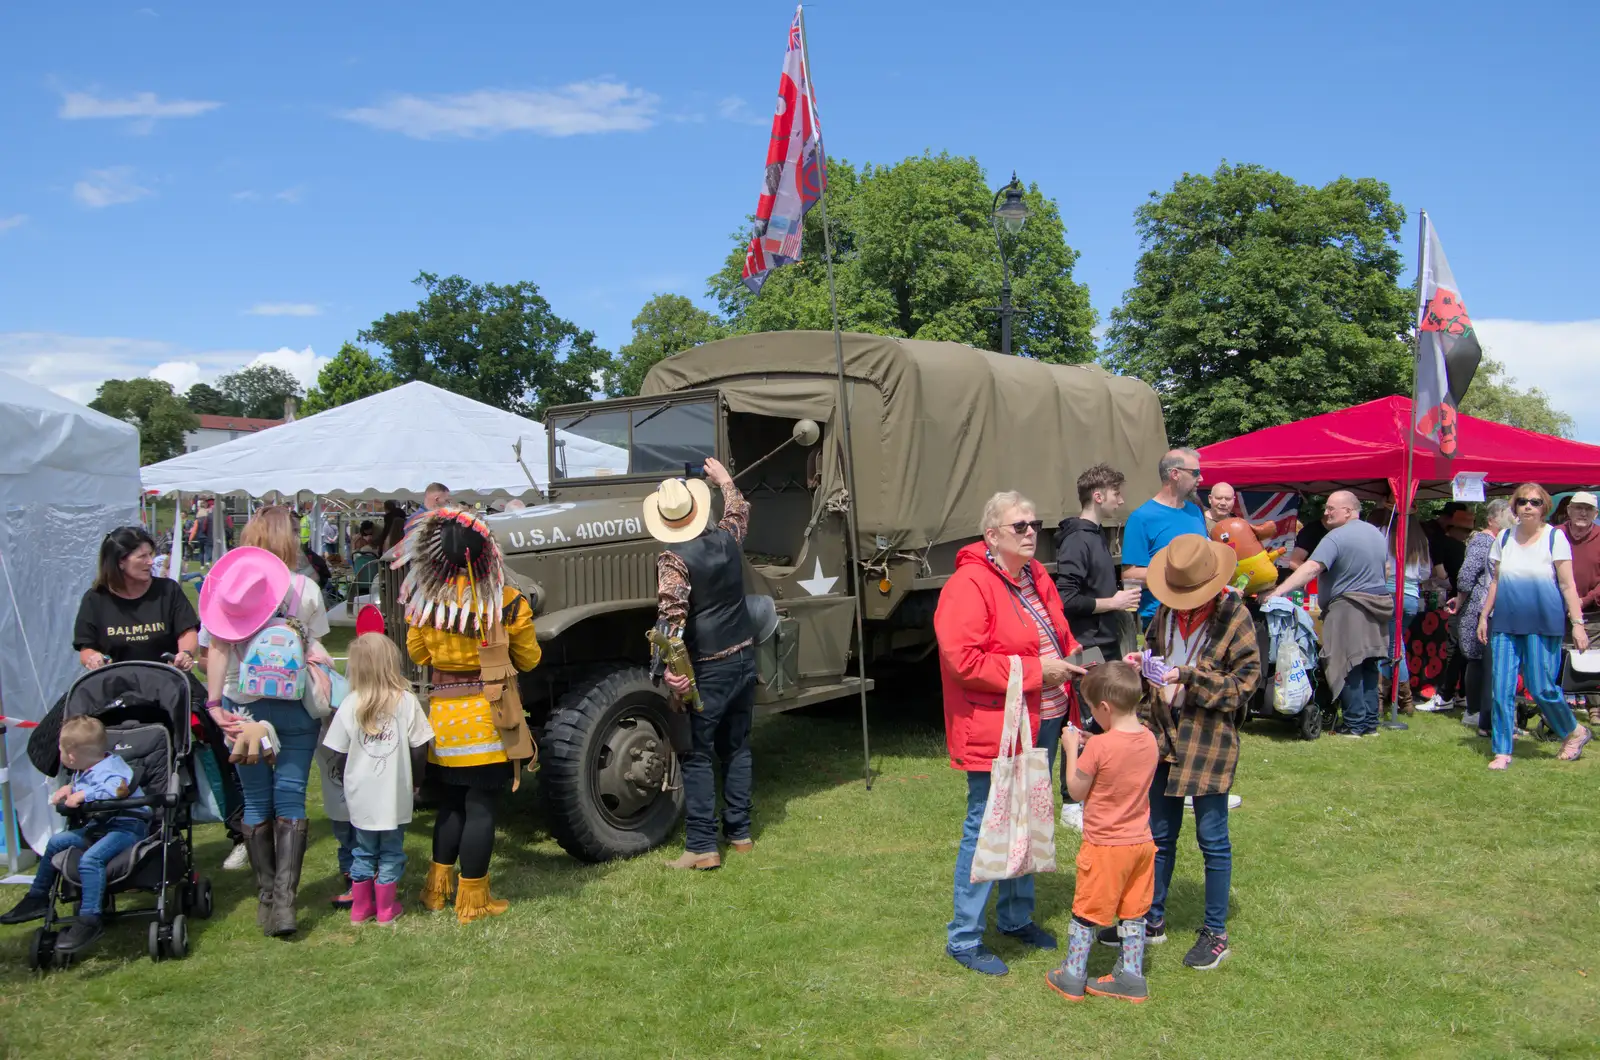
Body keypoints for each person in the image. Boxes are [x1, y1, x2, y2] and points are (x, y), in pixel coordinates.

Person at [935, 491, 1084, 976]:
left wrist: (1076, 662)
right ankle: (964, 938)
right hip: (999, 726)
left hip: (1045, 716)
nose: (1029, 531)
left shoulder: (1035, 576)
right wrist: (1039, 671)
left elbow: (1057, 633)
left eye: (1033, 523)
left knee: (1030, 821)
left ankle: (1016, 918)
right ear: (991, 535)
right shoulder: (968, 584)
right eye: (1018, 525)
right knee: (988, 828)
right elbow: (965, 661)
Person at [1098, 534, 1259, 971]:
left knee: (1213, 841)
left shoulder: (1236, 617)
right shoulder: (1166, 613)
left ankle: (1215, 932)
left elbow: (1244, 687)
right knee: (1158, 837)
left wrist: (1187, 677)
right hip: (1163, 737)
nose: (1182, 602)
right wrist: (1141, 663)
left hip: (1209, 742)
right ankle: (1152, 919)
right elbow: (1155, 656)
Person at [70, 526, 249, 869]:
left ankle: (239, 829)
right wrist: (91, 658)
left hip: (172, 688)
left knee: (213, 735)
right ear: (120, 562)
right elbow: (86, 645)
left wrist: (186, 653)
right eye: (143, 556)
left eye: (151, 554)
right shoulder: (96, 600)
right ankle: (88, 823)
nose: (151, 562)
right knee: (66, 735)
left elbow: (188, 632)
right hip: (119, 696)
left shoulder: (167, 591)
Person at [200, 506, 331, 936]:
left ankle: (266, 897)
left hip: (243, 708)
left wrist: (215, 704)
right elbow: (317, 645)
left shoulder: (228, 587)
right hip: (294, 705)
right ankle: (285, 906)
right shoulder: (305, 589)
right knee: (290, 796)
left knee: (256, 802)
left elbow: (216, 649)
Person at [405, 508, 540, 922]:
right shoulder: (505, 601)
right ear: (487, 554)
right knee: (481, 807)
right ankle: (473, 901)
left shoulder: (427, 601)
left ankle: (436, 891)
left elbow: (418, 652)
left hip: (443, 718)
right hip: (488, 717)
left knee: (451, 805)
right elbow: (530, 658)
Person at [645, 458, 760, 871]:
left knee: (695, 754)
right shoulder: (729, 537)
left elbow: (671, 618)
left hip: (708, 667)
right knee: (737, 747)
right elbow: (738, 510)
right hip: (744, 656)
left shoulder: (673, 560)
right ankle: (740, 833)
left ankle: (701, 845)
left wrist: (666, 671)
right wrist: (726, 480)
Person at [1044, 661, 1159, 1004]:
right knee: (1133, 912)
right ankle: (1131, 977)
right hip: (1141, 844)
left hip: (1105, 845)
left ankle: (1073, 974)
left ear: (1105, 707)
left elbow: (1077, 791)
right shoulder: (1149, 739)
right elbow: (1120, 755)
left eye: (1093, 709)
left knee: (1086, 910)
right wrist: (1095, 742)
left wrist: (1070, 749)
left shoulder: (1098, 748)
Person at [0, 717, 152, 956]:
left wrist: (84, 794)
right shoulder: (86, 769)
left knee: (90, 860)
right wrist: (70, 788)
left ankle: (90, 918)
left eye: (60, 750)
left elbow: (119, 788)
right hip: (100, 828)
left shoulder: (113, 768)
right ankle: (37, 897)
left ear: (70, 755)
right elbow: (86, 785)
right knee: (56, 842)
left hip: (127, 827)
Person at [1477, 484, 1592, 768]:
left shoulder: (1555, 538)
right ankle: (1502, 751)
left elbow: (1567, 585)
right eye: (1523, 502)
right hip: (1506, 622)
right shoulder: (1503, 538)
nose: (1528, 506)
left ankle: (1574, 731)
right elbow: (1496, 581)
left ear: (1545, 508)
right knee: (1501, 687)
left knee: (1540, 687)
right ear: (1514, 507)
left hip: (1543, 622)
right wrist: (1483, 615)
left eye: (1535, 502)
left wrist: (1577, 624)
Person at [324, 634, 434, 925]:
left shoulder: (350, 703)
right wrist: (418, 781)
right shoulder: (407, 701)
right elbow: (420, 748)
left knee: (362, 848)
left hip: (361, 794)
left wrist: (347, 776)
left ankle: (361, 909)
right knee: (390, 849)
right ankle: (386, 909)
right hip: (395, 792)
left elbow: (336, 751)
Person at [1054, 464, 1141, 828]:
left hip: (1103, 642)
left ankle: (1091, 794)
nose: (1121, 500)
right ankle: (1070, 801)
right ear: (1099, 495)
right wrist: (1114, 602)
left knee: (1103, 717)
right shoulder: (1077, 539)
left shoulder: (1095, 535)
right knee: (1083, 716)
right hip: (1086, 646)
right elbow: (1066, 598)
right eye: (1117, 493)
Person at [1268, 492, 1391, 737]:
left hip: (1349, 608)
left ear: (1348, 510)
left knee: (1347, 664)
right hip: (1378, 606)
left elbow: (1312, 567)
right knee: (1368, 665)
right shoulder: (1376, 534)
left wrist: (1278, 592)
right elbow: (1386, 569)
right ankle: (1369, 724)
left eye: (1331, 508)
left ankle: (1354, 725)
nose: (1326, 512)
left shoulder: (1336, 536)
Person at [1121, 449, 1208, 624]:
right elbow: (1129, 575)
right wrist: (1180, 571)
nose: (1201, 479)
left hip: (1200, 615)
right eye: (1195, 473)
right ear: (1175, 474)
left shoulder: (1195, 511)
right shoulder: (1141, 518)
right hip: (1161, 620)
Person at [1452, 500, 1513, 738]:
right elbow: (1466, 575)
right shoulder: (1483, 541)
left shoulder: (1502, 541)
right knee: (1477, 660)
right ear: (1492, 519)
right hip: (1478, 608)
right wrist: (1461, 597)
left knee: (1483, 661)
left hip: (1490, 607)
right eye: (1508, 515)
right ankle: (1473, 710)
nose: (1513, 519)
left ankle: (1480, 710)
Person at [1381, 516, 1449, 727]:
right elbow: (1425, 573)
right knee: (1393, 643)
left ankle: (1399, 699)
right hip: (1411, 596)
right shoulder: (1421, 539)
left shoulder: (1384, 531)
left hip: (1388, 592)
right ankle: (1398, 699)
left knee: (1391, 645)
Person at [1557, 491, 1600, 646]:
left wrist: (1583, 601)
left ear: (1595, 514)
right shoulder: (1554, 534)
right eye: (1578, 507)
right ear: (1569, 510)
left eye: (1588, 509)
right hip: (1555, 614)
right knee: (1556, 666)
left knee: (1589, 666)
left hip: (1592, 619)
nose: (1583, 513)